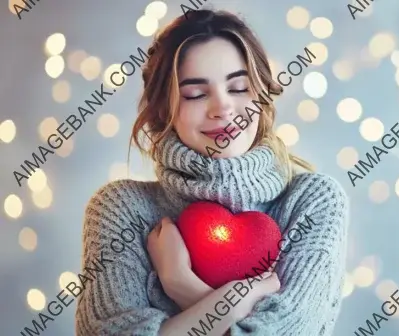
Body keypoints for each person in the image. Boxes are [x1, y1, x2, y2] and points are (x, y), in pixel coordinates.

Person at [75, 8, 350, 336]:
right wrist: (243, 301)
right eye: (196, 94)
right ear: (166, 110)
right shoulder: (121, 208)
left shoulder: (313, 202)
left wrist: (181, 282)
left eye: (238, 88)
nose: (222, 108)